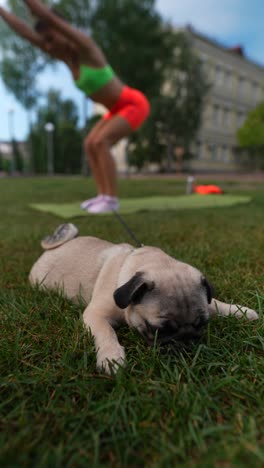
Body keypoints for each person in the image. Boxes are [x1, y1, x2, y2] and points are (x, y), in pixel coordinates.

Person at [0, 0, 150, 214]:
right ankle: (102, 196)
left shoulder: (86, 48)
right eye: (45, 42)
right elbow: (25, 32)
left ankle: (111, 199)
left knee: (101, 141)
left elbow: (46, 15)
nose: (48, 45)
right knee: (90, 143)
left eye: (50, 38)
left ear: (61, 28)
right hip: (116, 109)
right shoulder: (66, 57)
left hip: (133, 103)